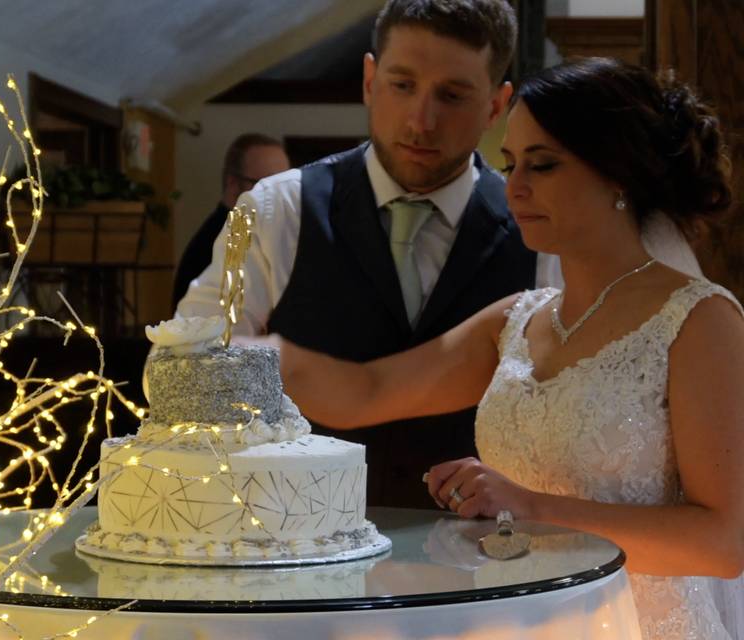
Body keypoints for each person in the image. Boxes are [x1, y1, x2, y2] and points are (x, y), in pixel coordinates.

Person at [278, 57, 743, 639]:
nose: (515, 187)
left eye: (543, 165)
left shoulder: (698, 319)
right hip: (512, 622)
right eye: (510, 163)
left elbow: (722, 545)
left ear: (618, 174)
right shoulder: (515, 320)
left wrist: (530, 507)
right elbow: (368, 390)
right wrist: (249, 356)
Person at [175, 0, 700, 509]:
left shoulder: (548, 234)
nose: (421, 120)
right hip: (295, 546)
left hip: (487, 569)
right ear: (369, 81)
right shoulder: (278, 208)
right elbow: (194, 366)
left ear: (496, 104)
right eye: (403, 86)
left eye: (452, 95)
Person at [172, 133, 289, 306]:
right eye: (269, 186)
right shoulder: (219, 244)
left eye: (287, 186)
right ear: (233, 185)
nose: (282, 197)